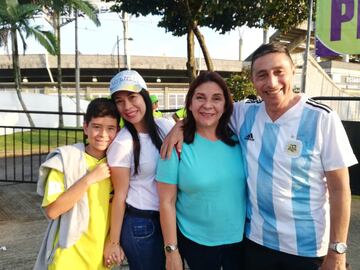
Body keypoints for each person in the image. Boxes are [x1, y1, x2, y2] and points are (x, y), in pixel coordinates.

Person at [161, 43, 358, 270]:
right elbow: (209, 110)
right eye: (262, 75)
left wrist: (338, 251)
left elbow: (340, 190)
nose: (271, 82)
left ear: (293, 72)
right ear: (253, 80)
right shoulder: (246, 112)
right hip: (256, 243)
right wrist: (181, 126)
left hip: (308, 248)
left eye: (278, 72)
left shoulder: (322, 118)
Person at [156, 71, 246, 270]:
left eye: (216, 98)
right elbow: (166, 202)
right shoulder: (176, 147)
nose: (208, 105)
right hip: (196, 243)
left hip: (240, 241)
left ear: (225, 105)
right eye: (200, 98)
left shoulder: (238, 140)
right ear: (189, 103)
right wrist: (171, 251)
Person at [34, 98, 120, 270]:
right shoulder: (65, 160)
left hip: (102, 258)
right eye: (96, 127)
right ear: (85, 127)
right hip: (67, 257)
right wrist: (89, 179)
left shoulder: (119, 164)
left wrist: (114, 242)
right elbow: (52, 211)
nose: (103, 134)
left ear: (118, 130)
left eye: (110, 128)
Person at [103, 70, 174, 270]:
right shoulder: (122, 143)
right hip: (141, 226)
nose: (127, 107)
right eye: (119, 101)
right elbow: (120, 195)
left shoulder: (165, 127)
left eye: (132, 97)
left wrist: (180, 127)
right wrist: (114, 241)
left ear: (144, 95)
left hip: (168, 222)